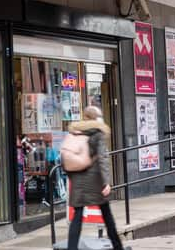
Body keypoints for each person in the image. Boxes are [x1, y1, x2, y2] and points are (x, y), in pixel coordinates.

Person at [66, 106, 128, 250]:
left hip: (77, 179)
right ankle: (118, 246)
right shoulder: (97, 133)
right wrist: (106, 182)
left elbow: (67, 157)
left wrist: (73, 176)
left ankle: (71, 248)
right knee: (107, 216)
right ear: (96, 118)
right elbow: (103, 159)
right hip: (95, 180)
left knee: (78, 215)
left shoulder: (75, 132)